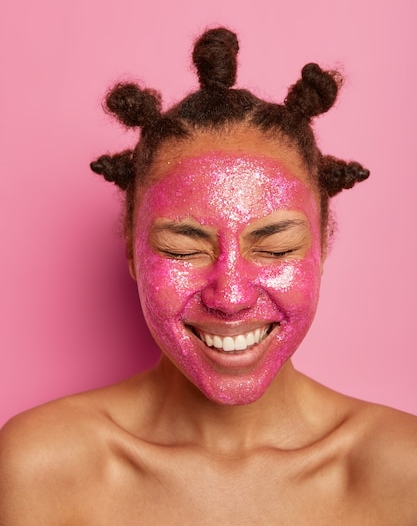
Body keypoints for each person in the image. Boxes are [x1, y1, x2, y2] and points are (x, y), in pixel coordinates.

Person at [1, 28, 416, 525]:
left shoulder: (402, 470)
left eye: (275, 247)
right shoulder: (42, 467)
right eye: (183, 248)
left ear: (321, 246)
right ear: (133, 252)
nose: (231, 295)